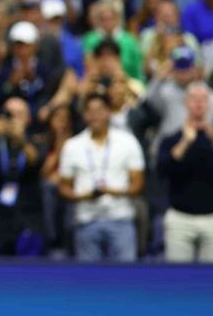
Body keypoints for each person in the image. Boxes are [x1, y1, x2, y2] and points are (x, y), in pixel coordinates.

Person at [57, 93, 146, 261]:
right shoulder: (72, 146)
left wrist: (112, 191)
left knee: (125, 278)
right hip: (86, 219)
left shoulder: (127, 142)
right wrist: (83, 196)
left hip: (120, 217)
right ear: (84, 115)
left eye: (99, 110)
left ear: (108, 112)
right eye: (89, 111)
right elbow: (64, 187)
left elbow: (138, 184)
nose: (94, 116)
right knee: (89, 281)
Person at [158, 82, 213, 262]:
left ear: (209, 104)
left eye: (203, 99)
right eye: (194, 99)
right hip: (180, 218)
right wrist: (186, 142)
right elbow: (162, 170)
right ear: (185, 103)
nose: (199, 104)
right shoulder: (172, 139)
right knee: (178, 279)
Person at [0, 99, 47, 256]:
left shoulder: (35, 140)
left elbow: (35, 160)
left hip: (28, 217)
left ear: (28, 119)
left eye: (19, 114)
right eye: (8, 114)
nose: (13, 119)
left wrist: (21, 139)